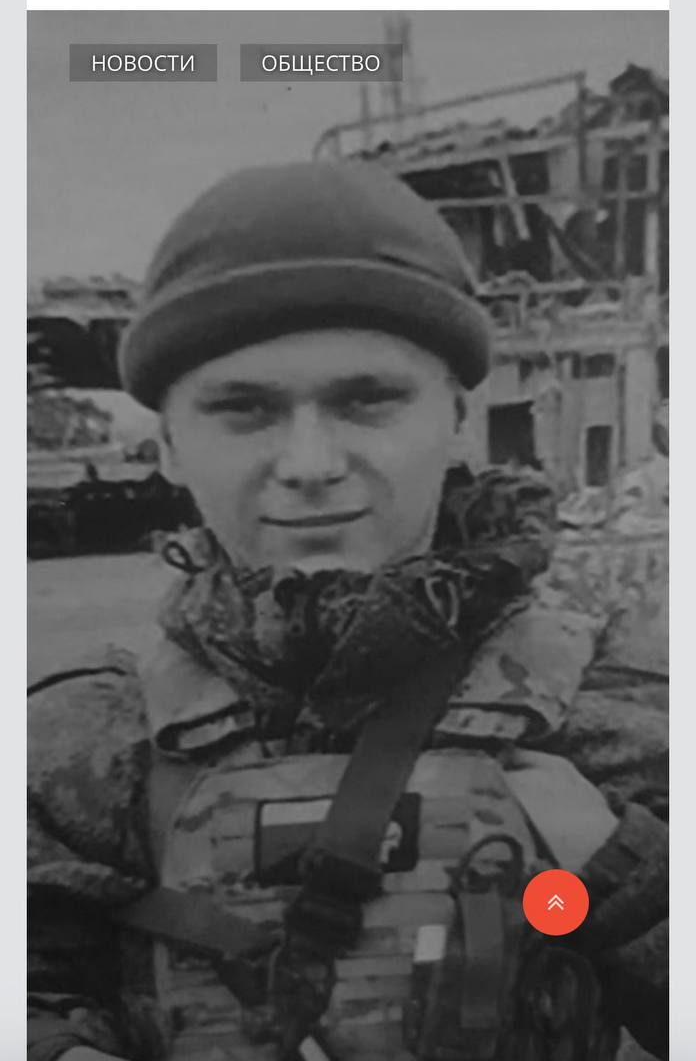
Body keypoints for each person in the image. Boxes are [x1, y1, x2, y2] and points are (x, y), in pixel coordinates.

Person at [28, 162, 668, 1061]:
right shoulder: (83, 752)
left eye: (367, 400)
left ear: (457, 417)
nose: (310, 463)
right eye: (244, 410)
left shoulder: (609, 709)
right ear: (168, 445)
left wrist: (620, 880)